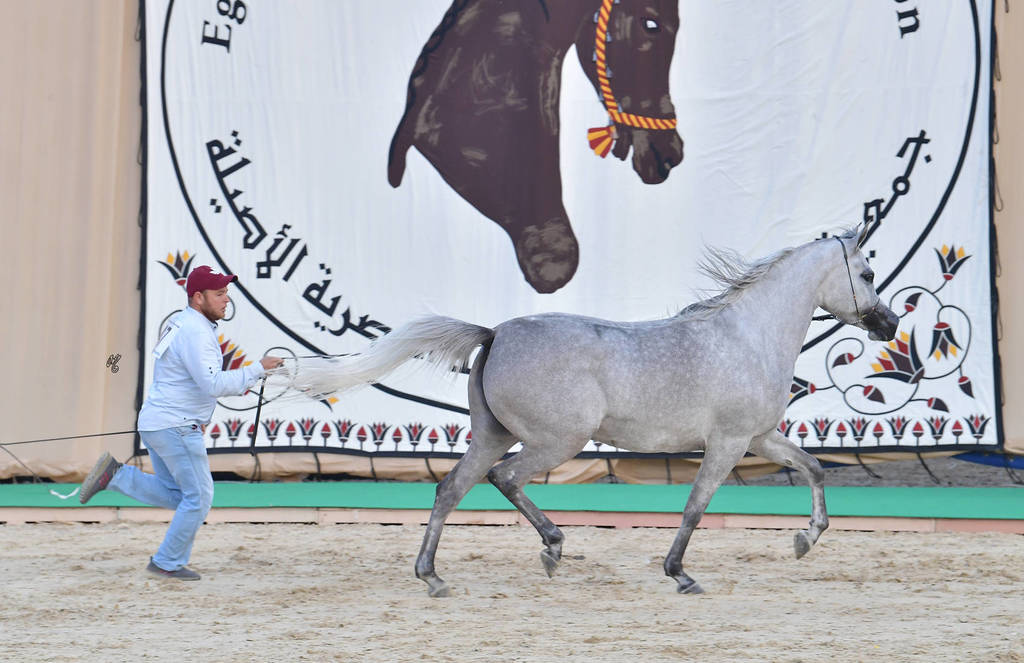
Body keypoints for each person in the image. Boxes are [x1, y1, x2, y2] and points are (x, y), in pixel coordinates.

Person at [79, 265, 284, 580]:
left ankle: (115, 477)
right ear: (198, 297)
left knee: (179, 494)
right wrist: (256, 369)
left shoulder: (181, 322)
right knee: (199, 497)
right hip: (175, 425)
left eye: (227, 292)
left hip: (159, 422)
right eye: (219, 294)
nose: (226, 299)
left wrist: (206, 411)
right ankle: (166, 562)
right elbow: (212, 384)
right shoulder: (196, 332)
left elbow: (188, 380)